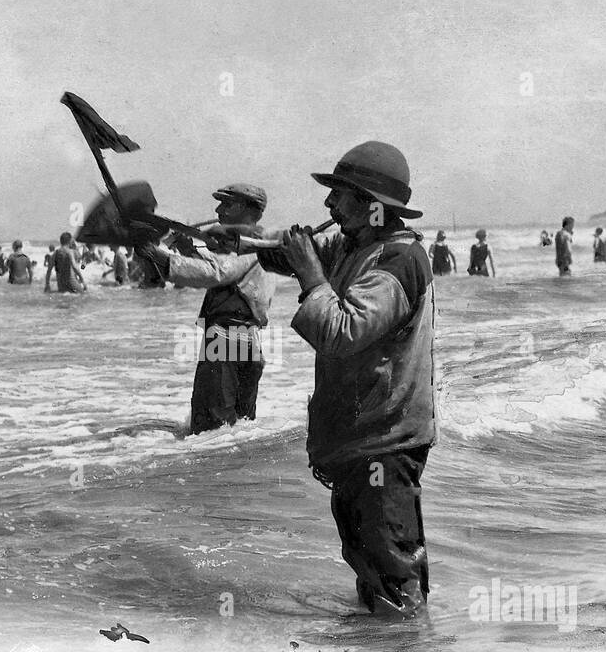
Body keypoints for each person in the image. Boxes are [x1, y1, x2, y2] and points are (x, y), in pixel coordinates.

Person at [254, 141, 435, 617]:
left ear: (373, 206)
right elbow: (285, 254)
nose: (328, 205)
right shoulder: (359, 247)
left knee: (392, 574)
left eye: (340, 194)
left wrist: (312, 275)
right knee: (369, 565)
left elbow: (342, 331)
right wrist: (238, 239)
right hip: (365, 437)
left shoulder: (398, 261)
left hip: (386, 441)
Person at [140, 184, 276, 434]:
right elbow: (224, 270)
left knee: (211, 430)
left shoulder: (251, 242)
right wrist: (187, 249)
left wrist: (157, 256)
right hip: (247, 342)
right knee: (239, 430)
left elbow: (217, 272)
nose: (218, 209)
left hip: (225, 341)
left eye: (227, 204)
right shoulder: (258, 243)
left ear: (249, 210)